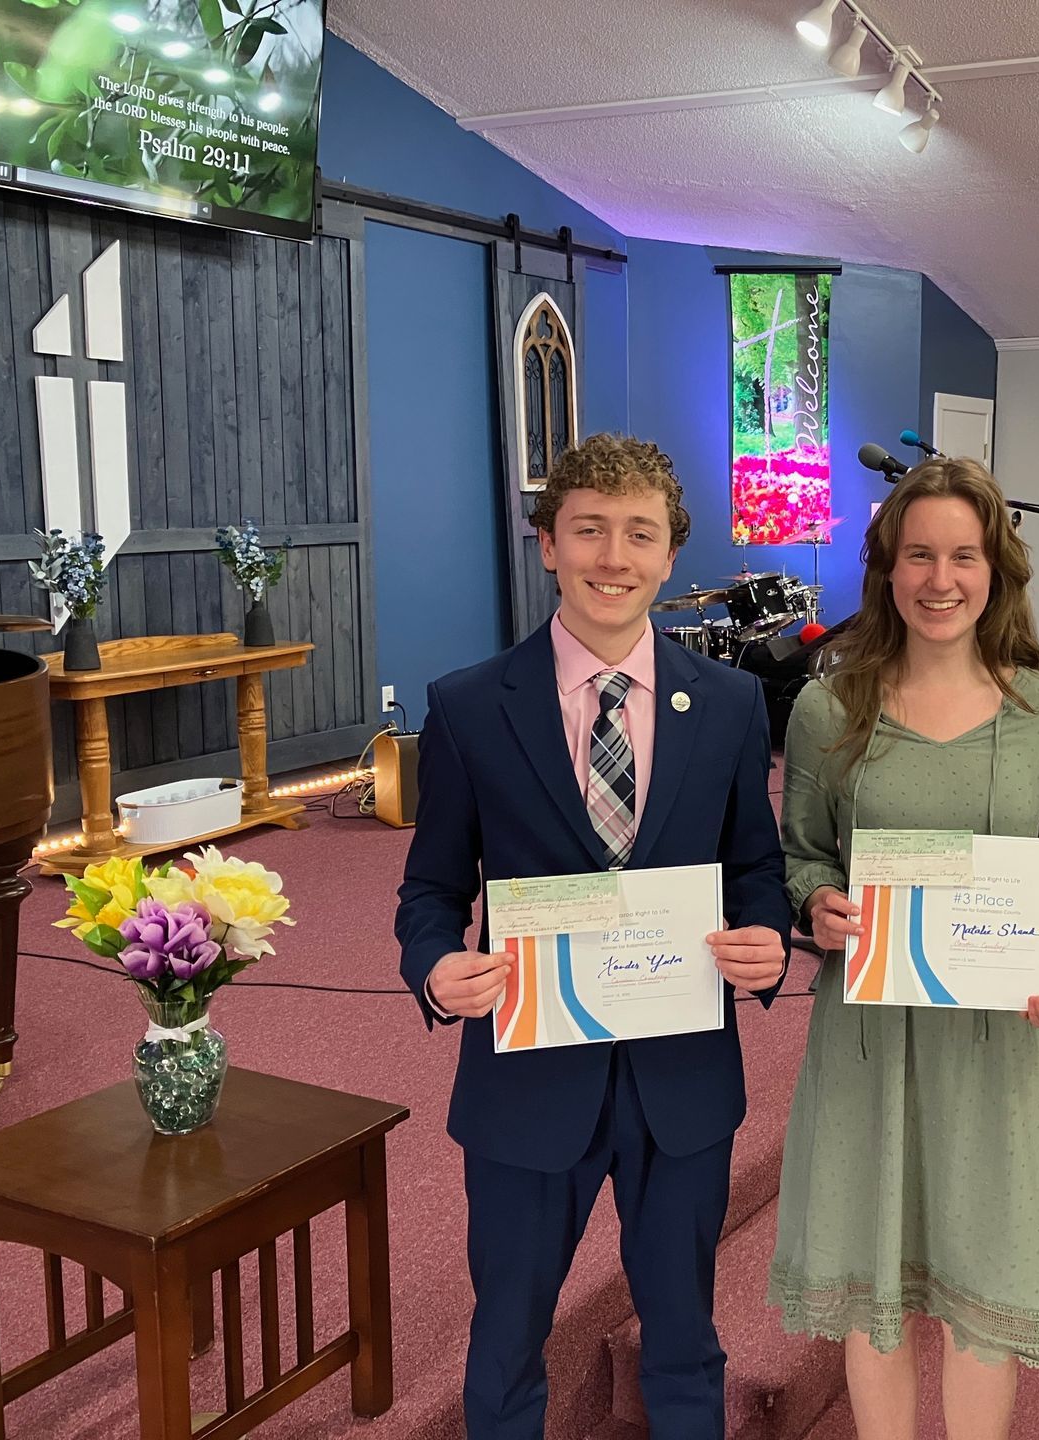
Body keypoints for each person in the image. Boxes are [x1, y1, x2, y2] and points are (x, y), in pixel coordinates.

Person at [394, 433, 791, 1439]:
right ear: (548, 545)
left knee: (685, 1340)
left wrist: (767, 937)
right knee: (507, 1341)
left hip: (681, 1081)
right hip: (529, 1081)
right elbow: (431, 888)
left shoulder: (732, 703)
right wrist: (436, 967)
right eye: (589, 530)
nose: (614, 557)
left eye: (639, 534)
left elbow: (755, 865)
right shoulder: (469, 707)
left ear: (670, 555)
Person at [768, 456, 1039, 1439]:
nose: (940, 578)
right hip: (869, 1040)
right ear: (887, 569)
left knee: (985, 1289)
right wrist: (817, 902)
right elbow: (801, 856)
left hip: (1000, 1040)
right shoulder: (827, 709)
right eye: (918, 555)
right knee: (871, 1289)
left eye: (964, 555)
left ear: (997, 569)